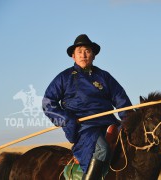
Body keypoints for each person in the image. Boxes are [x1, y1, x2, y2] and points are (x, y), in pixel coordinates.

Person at [42, 34, 132, 179]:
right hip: (84, 127)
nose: (83, 55)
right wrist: (66, 119)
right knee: (102, 148)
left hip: (109, 123)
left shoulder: (104, 76)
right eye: (79, 51)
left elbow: (121, 99)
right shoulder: (64, 78)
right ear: (73, 56)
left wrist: (129, 120)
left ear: (93, 55)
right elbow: (48, 103)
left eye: (87, 51)